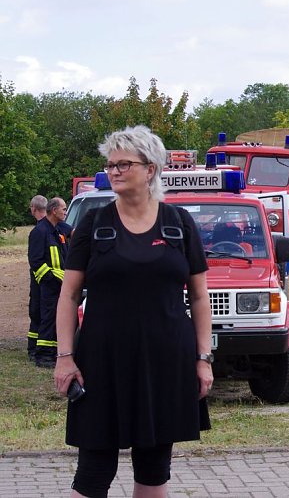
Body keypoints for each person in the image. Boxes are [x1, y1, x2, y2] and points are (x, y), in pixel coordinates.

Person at [53, 125, 213, 498]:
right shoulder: (94, 224)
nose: (114, 171)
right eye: (110, 164)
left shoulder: (179, 224)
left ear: (150, 169)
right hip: (102, 362)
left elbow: (201, 298)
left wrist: (203, 358)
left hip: (165, 362)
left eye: (124, 163)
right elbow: (68, 295)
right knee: (93, 473)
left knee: (155, 472)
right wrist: (64, 357)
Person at [28, 197, 70, 368]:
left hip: (59, 283)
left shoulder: (57, 230)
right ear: (54, 210)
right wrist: (50, 279)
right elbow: (36, 261)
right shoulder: (40, 232)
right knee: (47, 318)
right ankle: (43, 356)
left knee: (54, 318)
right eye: (64, 209)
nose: (66, 212)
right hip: (49, 285)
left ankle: (51, 354)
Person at [26, 195, 48, 361]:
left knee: (37, 313)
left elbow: (34, 261)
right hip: (51, 279)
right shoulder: (53, 228)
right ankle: (35, 347)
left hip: (42, 280)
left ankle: (34, 349)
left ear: (33, 209)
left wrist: (46, 277)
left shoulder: (38, 231)